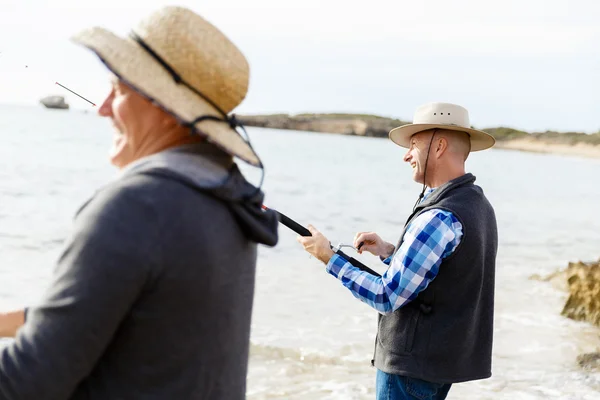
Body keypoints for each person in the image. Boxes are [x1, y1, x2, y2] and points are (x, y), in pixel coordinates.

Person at [0, 6, 278, 399]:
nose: (102, 108)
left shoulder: (136, 207)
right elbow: (119, 318)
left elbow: (25, 383)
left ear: (167, 109)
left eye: (118, 89)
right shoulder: (227, 202)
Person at [298, 102, 498, 400]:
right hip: (439, 367)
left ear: (439, 146)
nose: (406, 156)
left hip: (411, 370)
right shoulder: (478, 205)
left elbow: (386, 296)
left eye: (413, 146)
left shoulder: (438, 217)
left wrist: (329, 258)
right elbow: (448, 272)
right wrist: (390, 250)